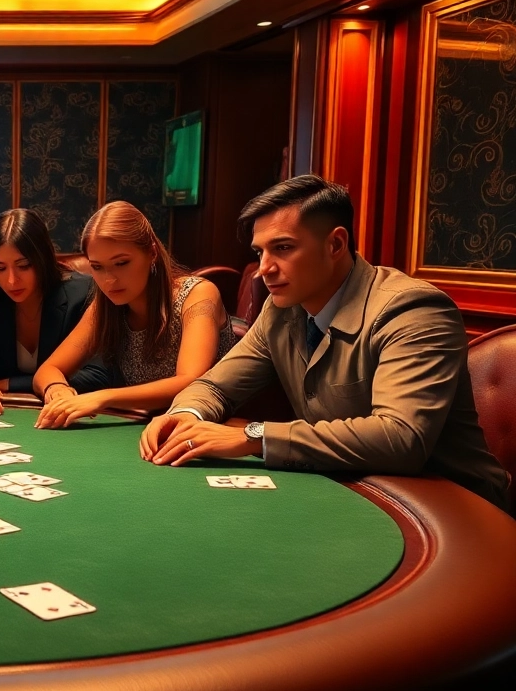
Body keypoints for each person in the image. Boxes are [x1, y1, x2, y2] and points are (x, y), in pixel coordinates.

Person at [140, 175, 509, 510]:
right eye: (259, 252)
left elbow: (401, 439)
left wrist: (252, 436)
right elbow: (213, 387)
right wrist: (184, 418)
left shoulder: (413, 309)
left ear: (335, 244)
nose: (265, 267)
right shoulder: (281, 310)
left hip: (451, 507)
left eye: (283, 248)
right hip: (353, 488)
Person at [33, 201, 235, 428]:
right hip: (143, 426)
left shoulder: (198, 294)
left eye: (121, 263)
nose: (109, 280)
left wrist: (102, 397)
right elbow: (48, 370)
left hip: (212, 426)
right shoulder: (105, 307)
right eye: (97, 267)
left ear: (152, 253)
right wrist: (57, 389)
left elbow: (191, 381)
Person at [0, 208, 109, 415]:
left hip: (66, 412)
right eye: (0, 268)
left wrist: (10, 384)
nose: (11, 281)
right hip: (5, 412)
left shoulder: (83, 292)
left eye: (23, 266)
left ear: (42, 258)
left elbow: (98, 375)